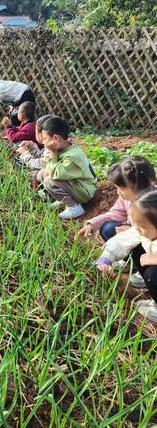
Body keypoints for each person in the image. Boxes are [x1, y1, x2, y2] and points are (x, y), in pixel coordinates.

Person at [78, 156, 156, 288]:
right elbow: (119, 222)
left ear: (138, 186)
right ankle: (134, 265)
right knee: (109, 229)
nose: (118, 193)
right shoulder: (130, 202)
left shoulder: (153, 204)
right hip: (147, 239)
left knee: (152, 275)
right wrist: (105, 258)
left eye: (122, 188)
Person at [96, 190, 157, 323]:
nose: (138, 229)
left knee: (153, 274)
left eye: (142, 226)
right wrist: (107, 258)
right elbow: (124, 239)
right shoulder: (142, 230)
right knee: (135, 248)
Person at [38, 116, 97, 220]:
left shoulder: (72, 156)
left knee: (50, 181)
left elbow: (55, 174)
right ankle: (63, 200)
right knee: (44, 173)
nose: (43, 142)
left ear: (55, 138)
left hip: (85, 191)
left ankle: (74, 207)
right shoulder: (66, 148)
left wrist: (52, 152)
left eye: (45, 139)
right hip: (77, 184)